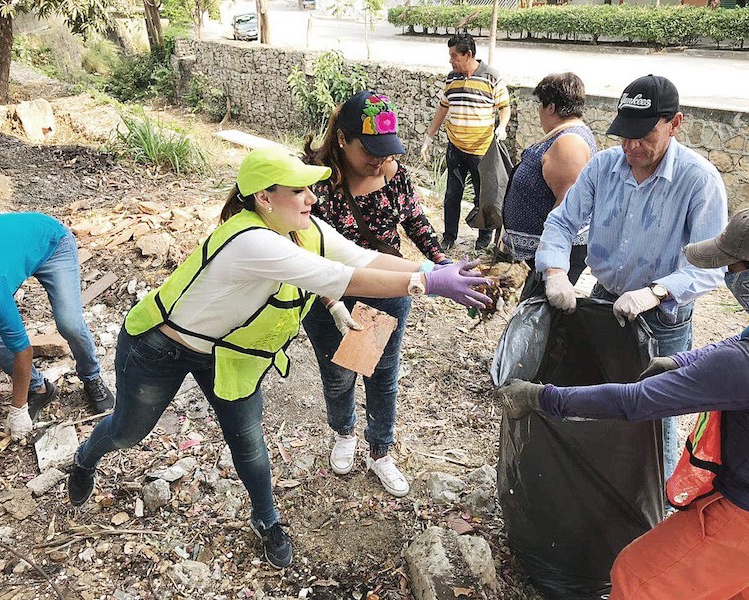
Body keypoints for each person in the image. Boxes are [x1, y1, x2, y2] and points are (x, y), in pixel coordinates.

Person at [66, 144, 493, 570]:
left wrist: (433, 270)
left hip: (226, 352)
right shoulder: (249, 240)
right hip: (161, 345)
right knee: (128, 432)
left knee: (248, 441)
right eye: (300, 190)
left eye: (312, 189)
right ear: (264, 198)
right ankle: (86, 458)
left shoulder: (306, 229)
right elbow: (337, 276)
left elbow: (361, 257)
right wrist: (428, 284)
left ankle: (266, 520)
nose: (313, 198)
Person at [498, 201, 749, 599]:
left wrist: (542, 398)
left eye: (733, 268)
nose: (728, 279)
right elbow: (739, 345)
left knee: (638, 578)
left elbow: (636, 402)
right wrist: (679, 360)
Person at [535, 74, 728, 481]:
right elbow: (562, 223)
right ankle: (604, 483)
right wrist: (555, 272)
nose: (631, 147)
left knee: (656, 417)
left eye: (643, 136)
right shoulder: (604, 167)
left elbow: (711, 266)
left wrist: (656, 292)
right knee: (602, 395)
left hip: (663, 317)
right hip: (606, 298)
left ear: (675, 124)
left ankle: (652, 501)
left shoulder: (699, 181)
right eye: (625, 135)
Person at [302, 91, 450, 498]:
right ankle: (344, 431)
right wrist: (331, 302)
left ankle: (380, 449)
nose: (378, 160)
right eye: (369, 150)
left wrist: (443, 265)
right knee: (339, 374)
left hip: (387, 287)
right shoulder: (314, 182)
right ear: (342, 140)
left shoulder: (392, 173)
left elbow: (415, 221)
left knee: (382, 373)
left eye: (386, 151)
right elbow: (305, 250)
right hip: (329, 293)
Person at [0, 212, 115, 440]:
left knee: (70, 324)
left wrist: (17, 410)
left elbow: (23, 350)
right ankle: (39, 389)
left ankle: (91, 375)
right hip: (14, 254)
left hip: (53, 243)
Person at [501, 72, 596, 284]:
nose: (538, 111)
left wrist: (551, 262)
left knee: (542, 315)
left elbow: (567, 207)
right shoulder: (563, 136)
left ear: (551, 107)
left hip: (554, 258)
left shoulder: (568, 143)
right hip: (540, 255)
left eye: (540, 105)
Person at [421, 32, 511, 252]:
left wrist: (501, 127)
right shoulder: (452, 78)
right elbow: (443, 108)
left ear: (468, 54)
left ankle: (483, 241)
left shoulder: (491, 76)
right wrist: (428, 137)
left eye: (454, 56)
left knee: (484, 196)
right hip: (456, 148)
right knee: (452, 195)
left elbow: (504, 107)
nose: (451, 60)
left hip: (482, 150)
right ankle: (449, 236)